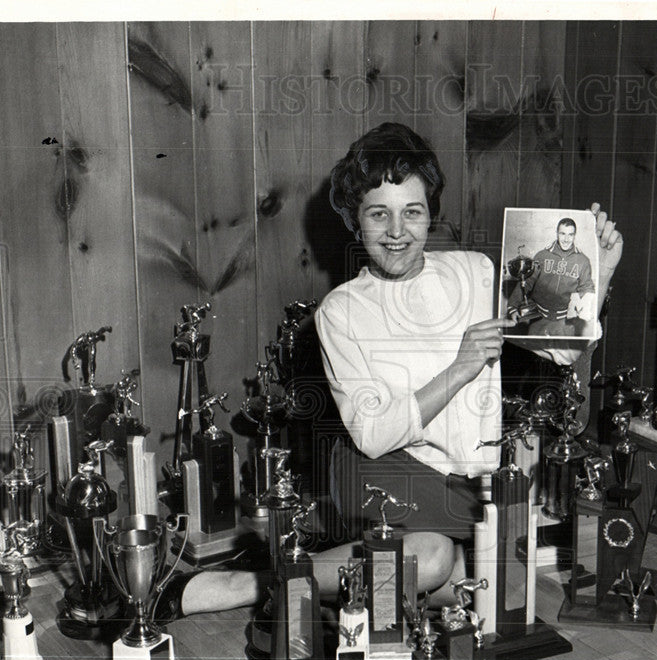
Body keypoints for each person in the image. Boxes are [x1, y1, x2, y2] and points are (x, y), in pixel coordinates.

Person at [156, 122, 623, 620]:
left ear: (430, 217)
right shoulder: (341, 309)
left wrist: (605, 266)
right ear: (356, 223)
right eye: (379, 215)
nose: (397, 232)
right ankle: (254, 584)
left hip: (464, 478)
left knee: (485, 580)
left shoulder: (477, 272)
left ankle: (332, 574)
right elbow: (374, 434)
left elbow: (560, 353)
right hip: (377, 464)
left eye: (412, 213)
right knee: (436, 560)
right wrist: (463, 366)